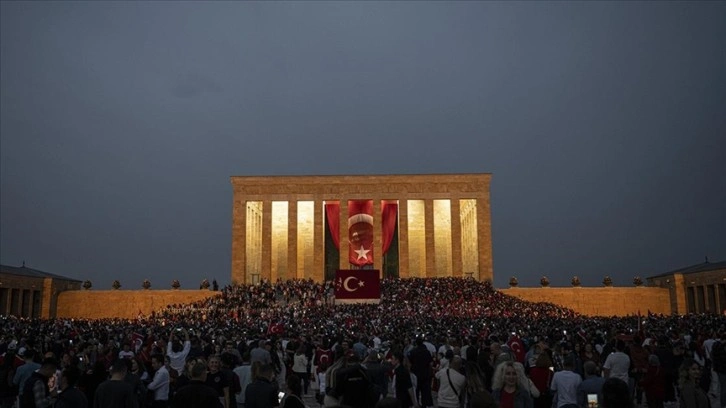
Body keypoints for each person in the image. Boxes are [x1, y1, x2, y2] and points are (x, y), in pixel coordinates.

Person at [408, 338, 433, 408]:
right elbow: (430, 363)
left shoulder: (413, 352)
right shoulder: (427, 352)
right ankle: (424, 405)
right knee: (425, 392)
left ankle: (417, 404)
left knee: (416, 391)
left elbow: (409, 363)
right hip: (425, 374)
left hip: (416, 374)